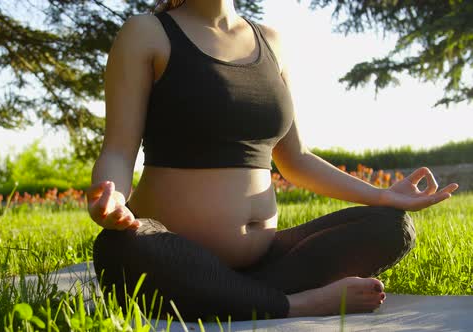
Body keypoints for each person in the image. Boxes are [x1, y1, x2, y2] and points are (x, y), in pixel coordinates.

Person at [86, 0, 459, 322]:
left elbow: (296, 159)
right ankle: (295, 304)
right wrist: (112, 198)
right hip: (168, 250)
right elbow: (119, 150)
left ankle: (230, 295)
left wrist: (380, 196)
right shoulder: (146, 33)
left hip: (266, 260)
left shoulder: (272, 41)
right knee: (120, 247)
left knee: (392, 226)